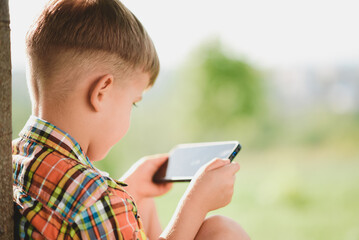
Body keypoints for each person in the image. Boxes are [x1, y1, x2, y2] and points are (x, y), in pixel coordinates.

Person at [12, 0, 250, 239]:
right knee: (222, 231)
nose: (131, 111)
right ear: (101, 92)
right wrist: (196, 204)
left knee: (143, 202)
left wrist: (129, 187)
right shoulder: (97, 201)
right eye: (133, 103)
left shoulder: (11, 160)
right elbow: (89, 207)